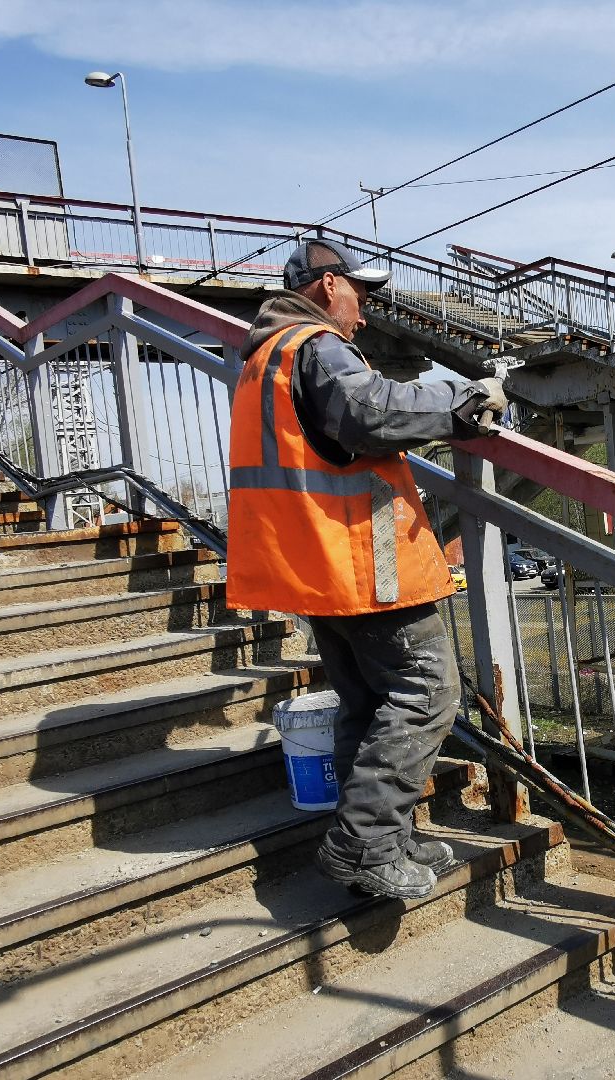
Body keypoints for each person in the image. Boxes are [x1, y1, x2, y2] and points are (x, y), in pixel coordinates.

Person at [226, 238, 507, 901]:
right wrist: (460, 406)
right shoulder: (314, 344)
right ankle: (363, 844)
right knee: (427, 692)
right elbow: (366, 411)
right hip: (362, 559)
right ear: (328, 288)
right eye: (361, 293)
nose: (365, 310)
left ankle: (387, 836)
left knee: (368, 702)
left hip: (316, 565)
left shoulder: (262, 358)